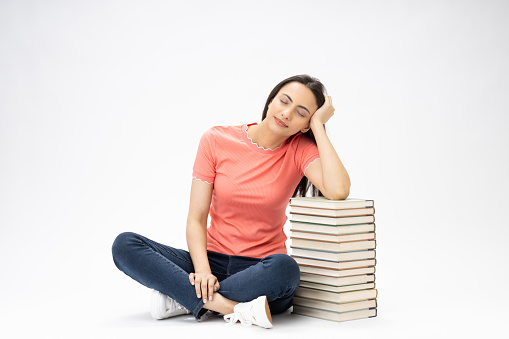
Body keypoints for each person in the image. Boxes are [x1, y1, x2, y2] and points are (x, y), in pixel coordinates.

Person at [111, 74, 350, 329]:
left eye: (302, 113)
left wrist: (319, 126)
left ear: (306, 124)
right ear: (271, 101)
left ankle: (184, 298)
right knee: (125, 244)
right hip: (209, 262)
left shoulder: (300, 149)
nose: (287, 113)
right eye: (284, 101)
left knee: (286, 269)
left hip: (262, 271)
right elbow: (196, 218)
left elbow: (338, 189)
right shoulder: (216, 140)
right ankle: (228, 307)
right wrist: (202, 271)